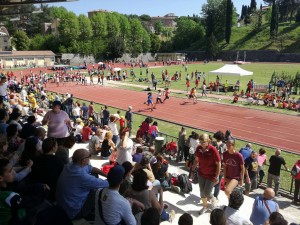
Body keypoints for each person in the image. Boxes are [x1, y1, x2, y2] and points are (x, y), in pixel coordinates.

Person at [56, 149, 109, 220]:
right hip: (74, 213)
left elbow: (91, 168)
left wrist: (106, 175)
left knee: (94, 175)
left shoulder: (69, 166)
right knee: (97, 191)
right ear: (83, 160)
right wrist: (110, 178)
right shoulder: (81, 176)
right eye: (89, 156)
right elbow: (106, 183)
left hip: (62, 208)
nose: (90, 157)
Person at [191, 133, 221, 215]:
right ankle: (205, 206)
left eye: (203, 142)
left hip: (211, 175)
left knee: (207, 192)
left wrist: (217, 176)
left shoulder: (213, 150)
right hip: (201, 173)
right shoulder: (198, 148)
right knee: (201, 192)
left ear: (208, 141)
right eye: (200, 142)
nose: (201, 144)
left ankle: (213, 200)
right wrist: (192, 171)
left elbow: (218, 163)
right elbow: (197, 160)